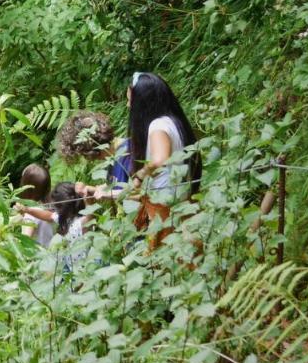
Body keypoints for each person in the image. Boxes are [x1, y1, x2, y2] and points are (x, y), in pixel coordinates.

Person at [83, 72, 201, 245]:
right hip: (181, 200)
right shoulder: (172, 121)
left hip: (164, 206)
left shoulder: (157, 126)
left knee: (165, 262)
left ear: (143, 102)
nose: (128, 104)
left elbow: (160, 160)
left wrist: (140, 175)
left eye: (131, 100)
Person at [15, 182, 88, 272]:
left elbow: (91, 209)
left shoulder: (83, 222)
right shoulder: (66, 218)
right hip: (70, 267)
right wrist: (27, 210)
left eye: (56, 207)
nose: (54, 209)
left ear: (62, 208)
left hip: (83, 271)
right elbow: (48, 215)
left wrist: (86, 191)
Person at [15, 163, 53, 247]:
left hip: (38, 257)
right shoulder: (48, 206)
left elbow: (25, 242)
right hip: (51, 254)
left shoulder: (31, 214)